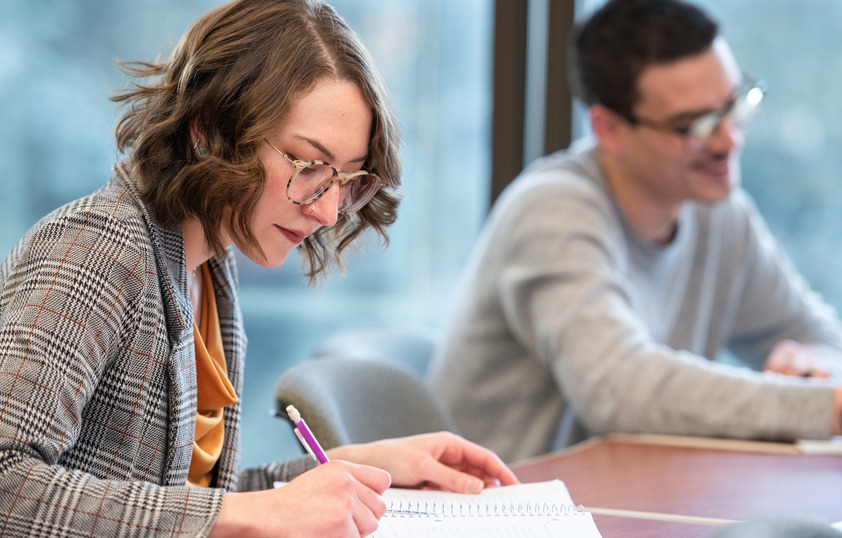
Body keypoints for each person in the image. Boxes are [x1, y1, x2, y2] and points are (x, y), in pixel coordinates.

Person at [0, 1, 518, 536]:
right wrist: (254, 513)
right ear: (207, 132)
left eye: (346, 180)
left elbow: (186, 502)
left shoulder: (207, 264)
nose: (326, 210)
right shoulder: (96, 249)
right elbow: (5, 485)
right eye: (309, 166)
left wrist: (360, 466)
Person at [429, 0, 842, 463]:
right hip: (503, 511)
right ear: (608, 128)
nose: (730, 140)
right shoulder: (552, 211)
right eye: (695, 125)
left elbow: (818, 334)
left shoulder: (717, 211)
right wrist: (825, 406)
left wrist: (814, 366)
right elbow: (620, 390)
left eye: (734, 105)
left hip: (636, 498)